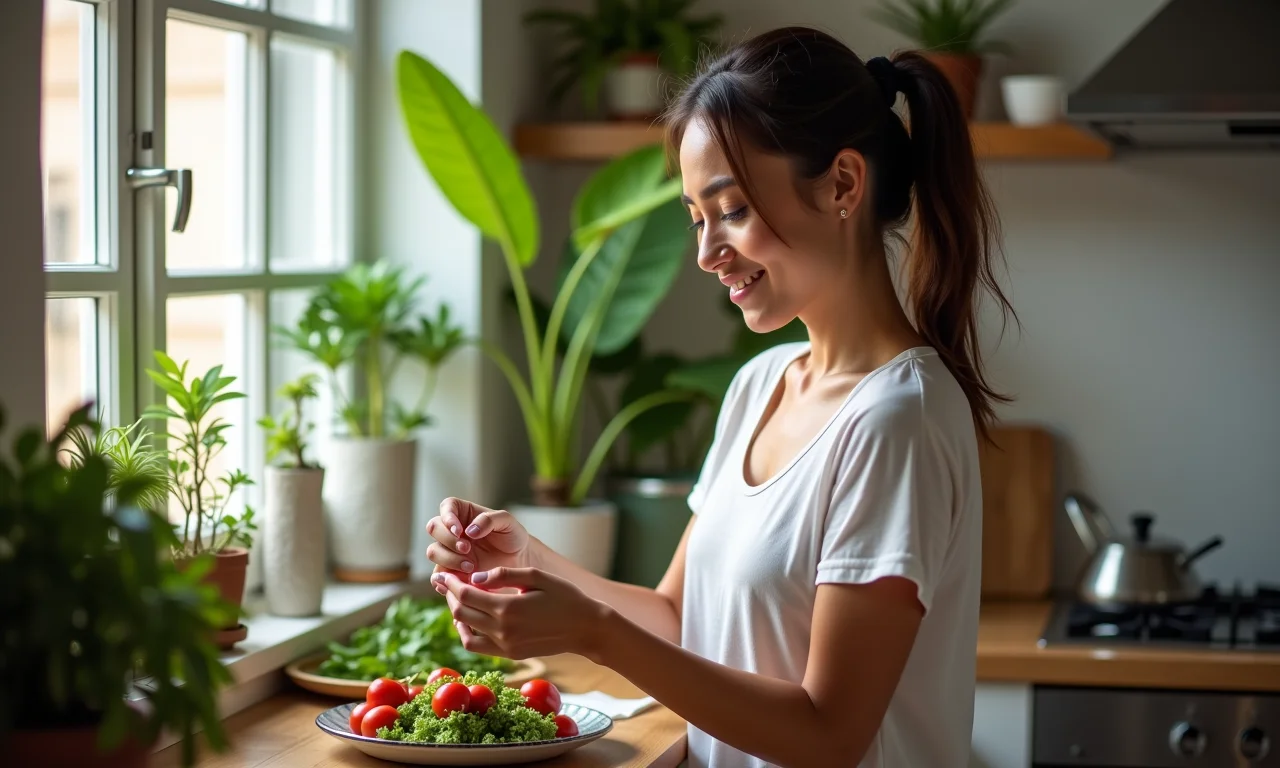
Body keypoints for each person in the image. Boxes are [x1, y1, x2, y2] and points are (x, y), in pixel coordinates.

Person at [425, 25, 1016, 767]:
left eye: (730, 209)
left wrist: (594, 635)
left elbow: (829, 734)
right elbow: (680, 618)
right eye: (697, 218)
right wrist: (528, 558)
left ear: (842, 183)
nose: (706, 253)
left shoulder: (898, 418)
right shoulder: (759, 385)